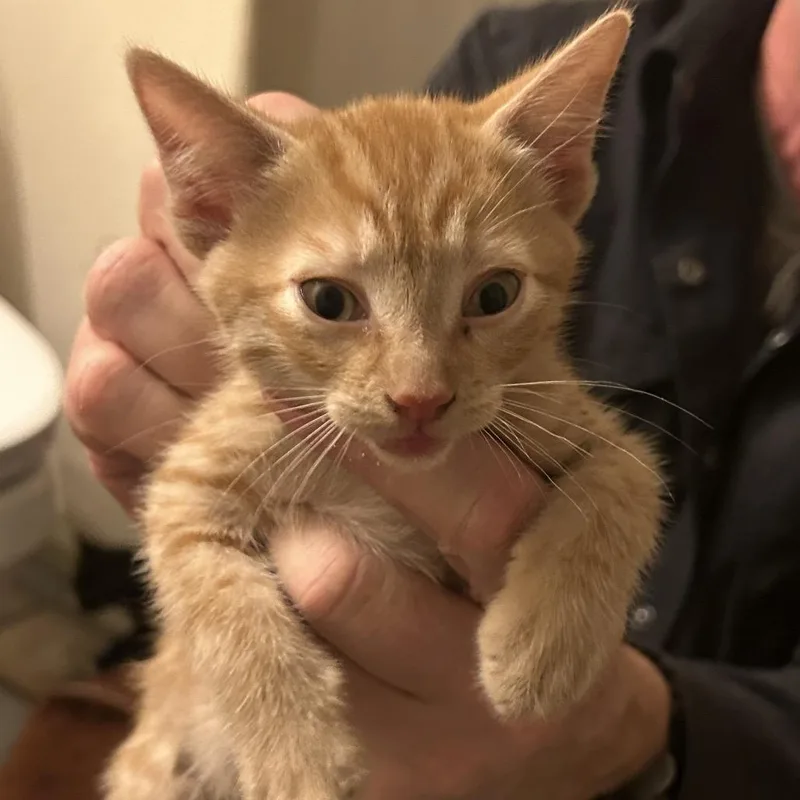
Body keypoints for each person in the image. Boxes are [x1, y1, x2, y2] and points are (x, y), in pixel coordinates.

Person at [3, 0, 800, 797]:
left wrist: (623, 707)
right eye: (332, 300)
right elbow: (189, 516)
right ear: (215, 213)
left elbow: (614, 467)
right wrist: (277, 711)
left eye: (490, 296)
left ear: (561, 182)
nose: (421, 387)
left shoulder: (533, 385)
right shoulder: (506, 41)